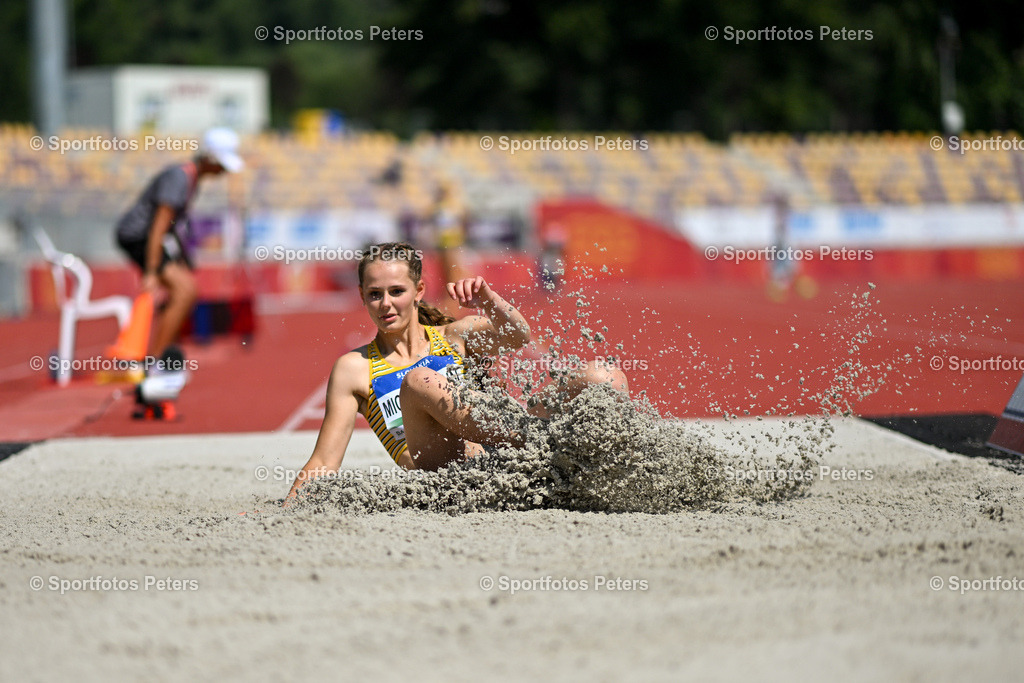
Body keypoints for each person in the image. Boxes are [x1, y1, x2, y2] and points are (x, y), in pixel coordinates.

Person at [285, 242, 629, 503]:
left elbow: (518, 336)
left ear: (419, 291)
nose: (386, 304)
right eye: (375, 294)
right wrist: (288, 510)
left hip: (504, 455)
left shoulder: (455, 336)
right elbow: (324, 461)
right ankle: (543, 441)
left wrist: (489, 300)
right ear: (362, 296)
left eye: (397, 291)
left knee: (604, 377)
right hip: (448, 472)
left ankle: (616, 473)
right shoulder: (354, 369)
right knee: (419, 380)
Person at [115, 127, 244, 357]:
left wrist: (183, 258)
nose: (223, 171)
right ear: (209, 158)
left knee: (183, 291)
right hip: (138, 237)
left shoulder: (190, 178)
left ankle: (162, 348)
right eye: (222, 164)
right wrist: (151, 272)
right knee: (186, 291)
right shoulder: (180, 178)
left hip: (148, 238)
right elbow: (159, 227)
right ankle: (156, 359)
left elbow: (171, 226)